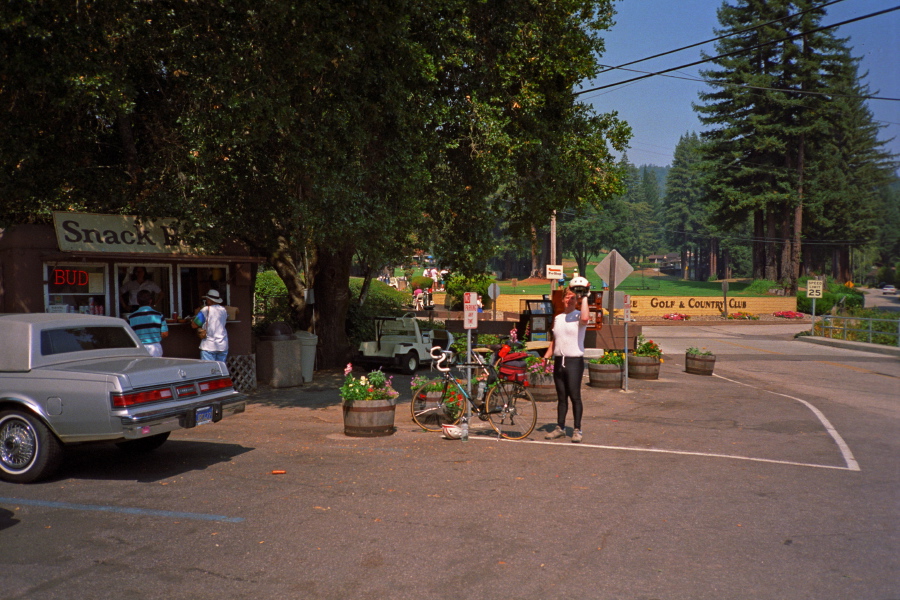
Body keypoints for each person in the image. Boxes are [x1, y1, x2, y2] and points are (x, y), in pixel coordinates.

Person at [543, 279, 591, 443]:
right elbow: (555, 340)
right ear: (563, 299)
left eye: (573, 298)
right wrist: (546, 356)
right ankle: (560, 428)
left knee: (575, 396)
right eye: (567, 297)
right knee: (561, 397)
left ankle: (577, 429)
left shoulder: (578, 316)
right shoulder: (558, 318)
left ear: (577, 300)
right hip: (559, 361)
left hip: (574, 362)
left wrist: (585, 296)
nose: (569, 300)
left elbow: (585, 318)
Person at [127, 289, 168, 357]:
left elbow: (129, 335)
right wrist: (155, 337)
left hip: (138, 347)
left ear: (137, 301)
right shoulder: (159, 315)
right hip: (155, 347)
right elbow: (165, 334)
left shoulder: (131, 317)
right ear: (150, 301)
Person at [191, 289, 229, 362]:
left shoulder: (205, 310)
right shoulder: (223, 310)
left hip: (209, 346)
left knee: (208, 368)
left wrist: (195, 315)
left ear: (208, 300)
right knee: (220, 368)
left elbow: (194, 325)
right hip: (222, 345)